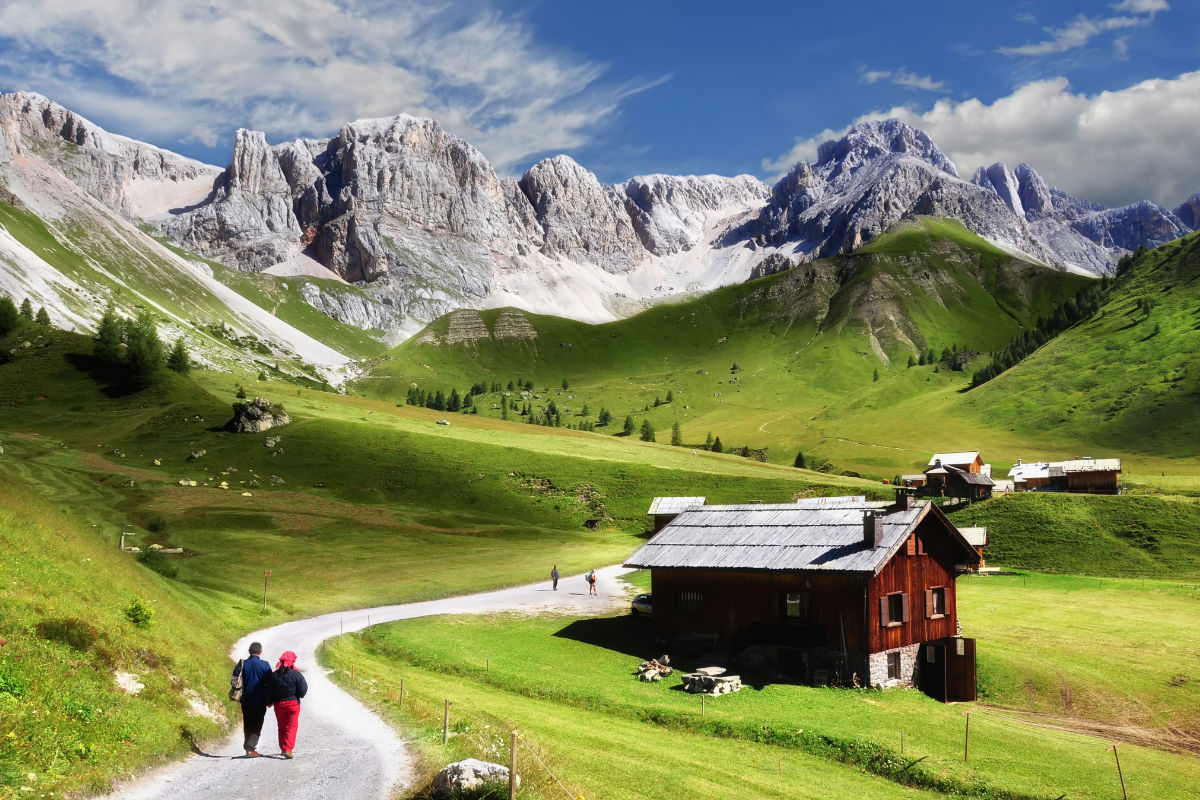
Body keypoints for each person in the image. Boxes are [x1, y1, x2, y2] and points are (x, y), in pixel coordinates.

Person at [265, 650, 308, 759]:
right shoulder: (296, 674)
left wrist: (269, 701)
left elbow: (269, 690)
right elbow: (303, 689)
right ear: (292, 661)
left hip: (279, 705)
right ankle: (288, 749)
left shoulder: (274, 675)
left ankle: (283, 748)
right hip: (293, 704)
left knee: (282, 726)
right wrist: (298, 695)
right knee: (291, 727)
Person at [234, 642, 273, 757]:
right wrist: (270, 699)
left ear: (249, 652)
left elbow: (234, 681)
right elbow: (270, 683)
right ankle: (250, 748)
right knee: (257, 724)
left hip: (245, 700)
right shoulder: (265, 665)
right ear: (260, 652)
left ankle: (248, 747)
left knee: (248, 723)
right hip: (260, 700)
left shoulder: (241, 664)